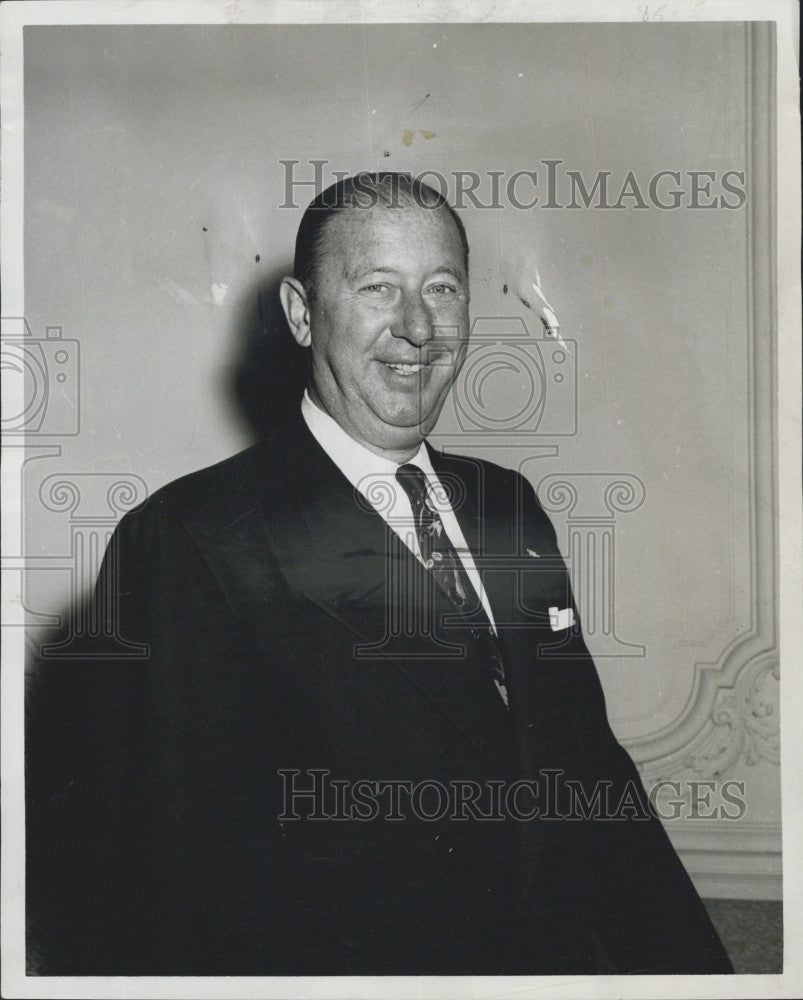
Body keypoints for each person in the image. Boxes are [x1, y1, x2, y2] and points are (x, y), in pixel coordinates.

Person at [26, 172, 732, 976]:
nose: (418, 328)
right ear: (300, 313)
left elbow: (588, 776)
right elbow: (177, 881)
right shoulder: (191, 536)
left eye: (441, 288)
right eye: (376, 289)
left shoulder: (508, 504)